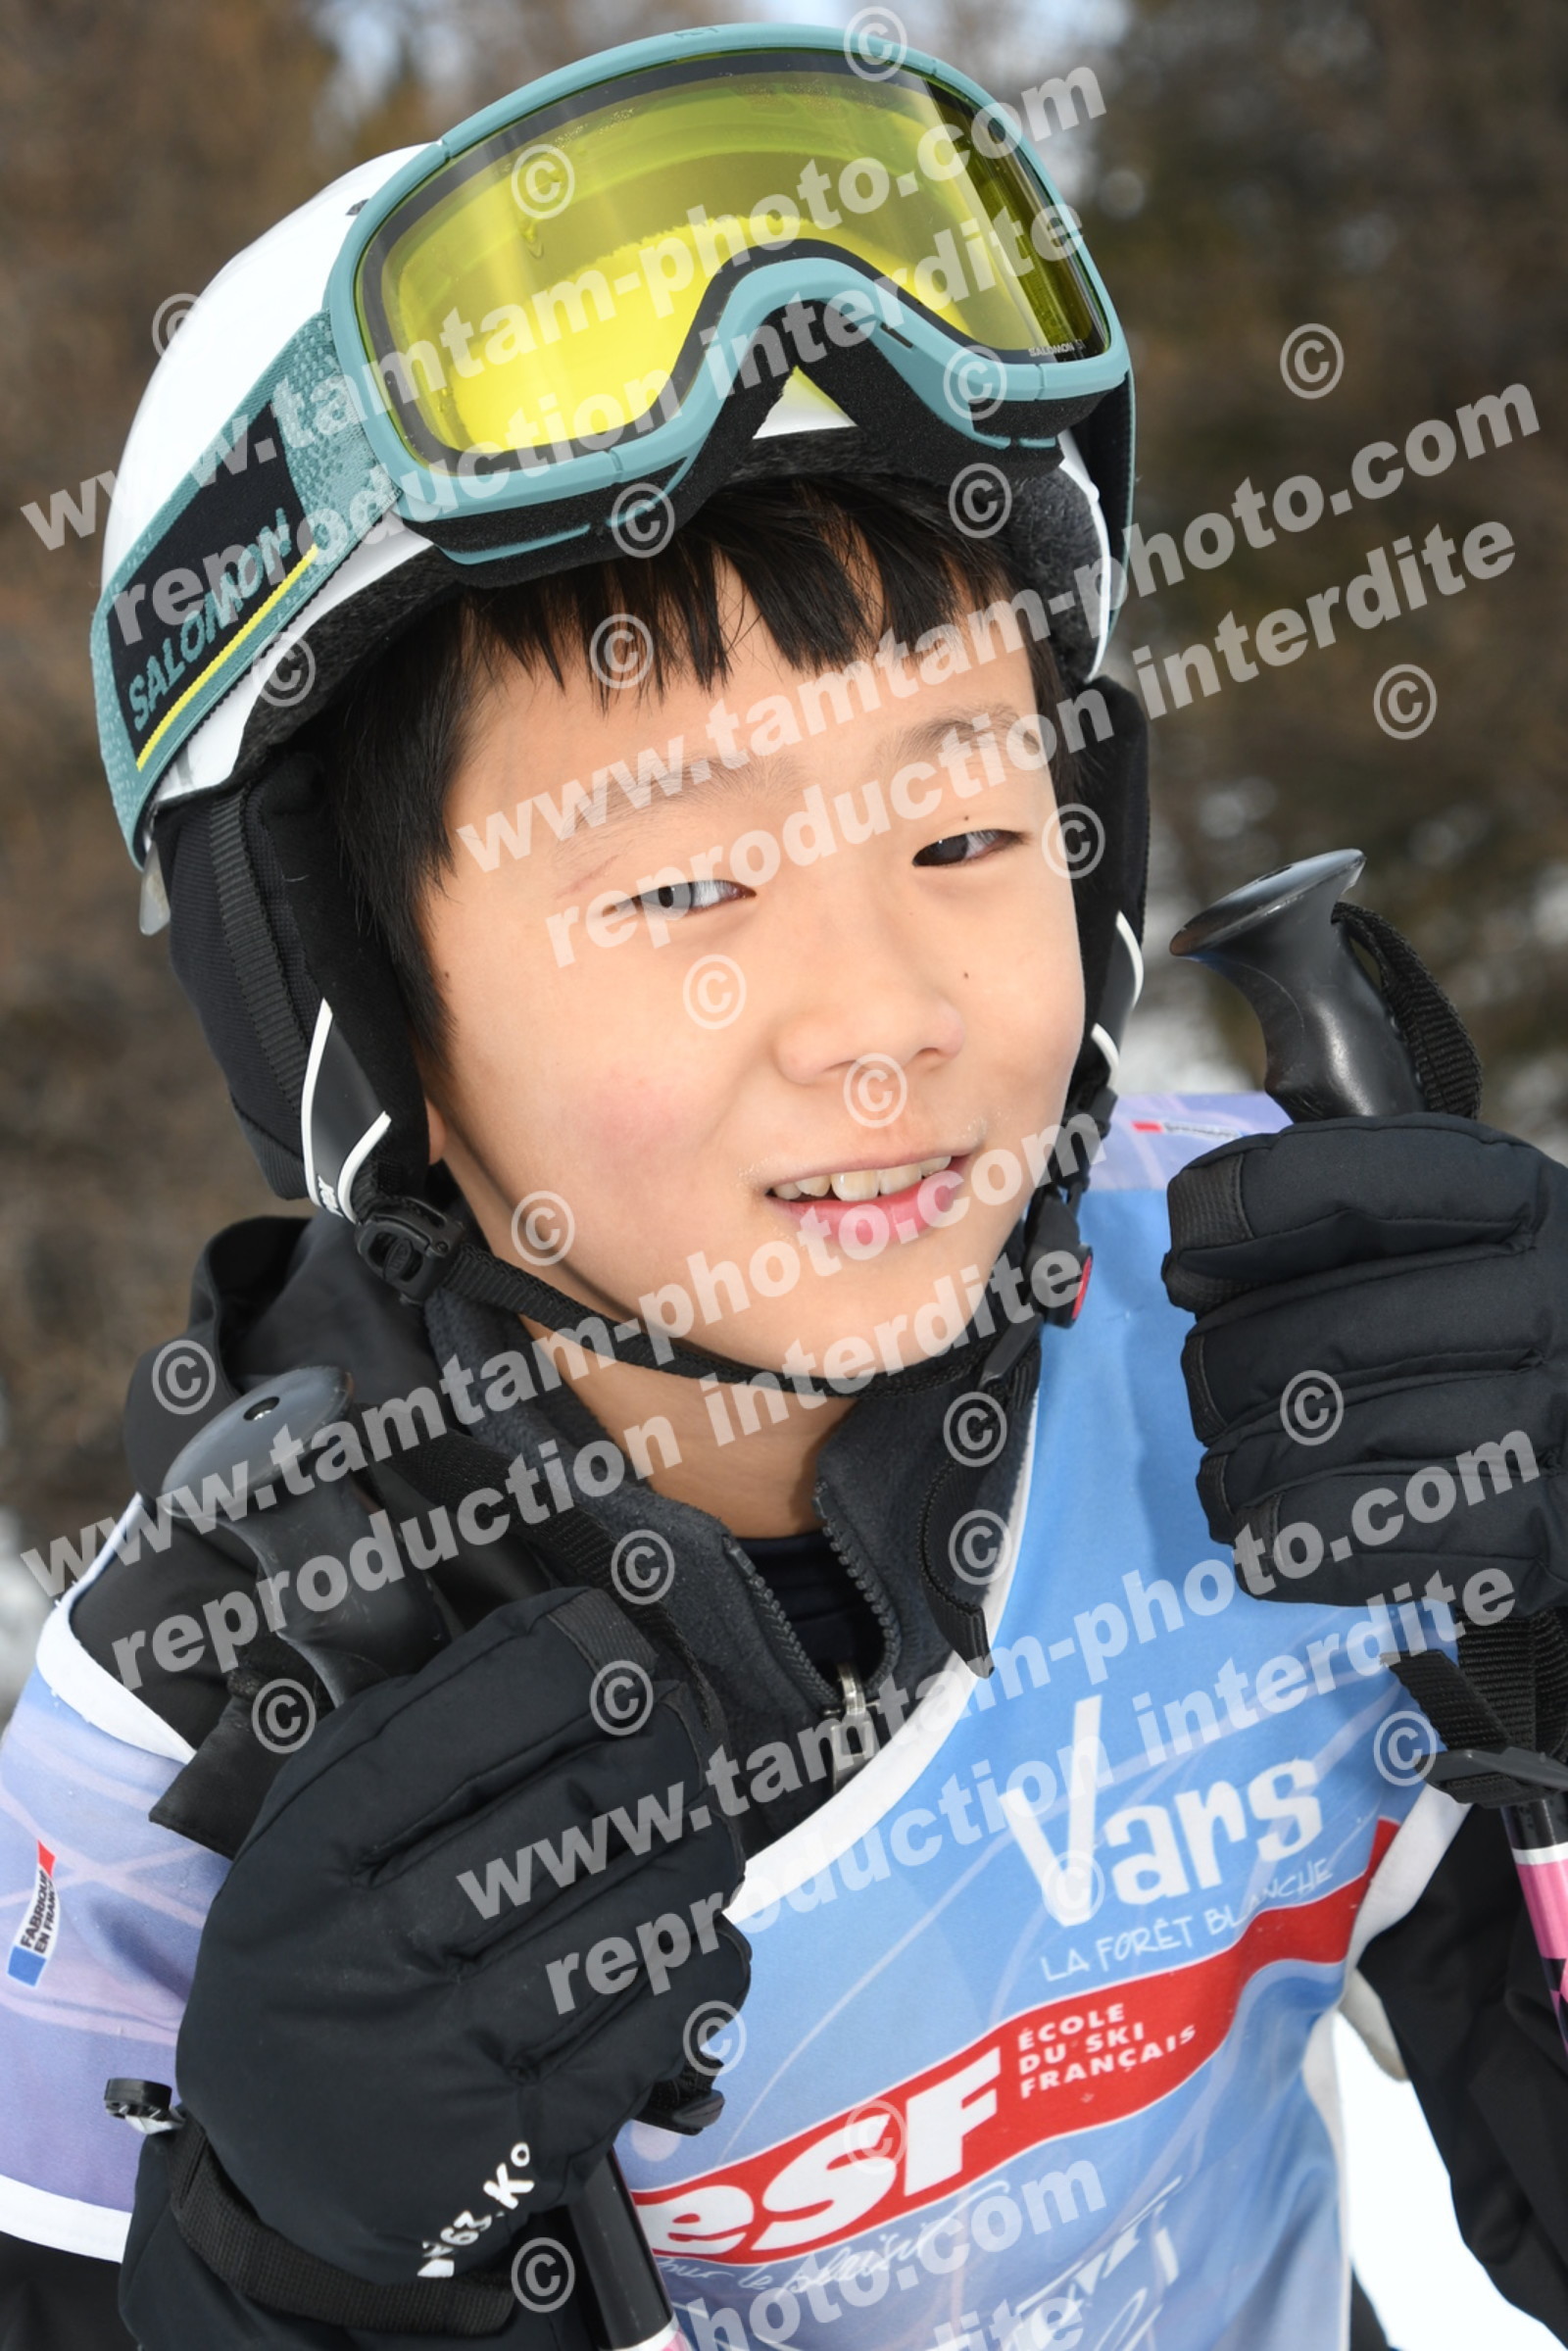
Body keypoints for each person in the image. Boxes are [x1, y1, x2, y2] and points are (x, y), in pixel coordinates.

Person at [1, 24, 1565, 2350]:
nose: (877, 1017)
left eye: (959, 832)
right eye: (679, 888)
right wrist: (289, 2272)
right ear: (351, 1003)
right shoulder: (204, 1734)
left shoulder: (1275, 1356)